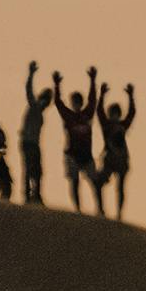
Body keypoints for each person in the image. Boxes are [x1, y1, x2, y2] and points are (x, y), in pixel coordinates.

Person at [59, 74, 98, 212]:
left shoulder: (87, 114)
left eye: (78, 102)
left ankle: (99, 208)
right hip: (72, 154)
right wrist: (57, 85)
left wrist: (93, 80)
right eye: (74, 102)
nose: (76, 105)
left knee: (95, 182)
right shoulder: (69, 116)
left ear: (81, 103)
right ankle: (77, 209)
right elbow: (59, 103)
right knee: (74, 183)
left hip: (87, 155)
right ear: (72, 103)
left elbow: (93, 100)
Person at [17, 60, 54, 205]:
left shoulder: (39, 111)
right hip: (28, 142)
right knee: (29, 168)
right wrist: (31, 74)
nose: (47, 103)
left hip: (33, 143)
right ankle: (29, 195)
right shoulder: (35, 106)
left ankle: (35, 195)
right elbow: (28, 91)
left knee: (37, 170)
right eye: (46, 99)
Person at [101, 78, 137, 218]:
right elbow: (99, 112)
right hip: (109, 159)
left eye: (116, 114)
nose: (114, 116)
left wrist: (130, 96)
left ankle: (119, 214)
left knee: (120, 188)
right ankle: (101, 209)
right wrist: (102, 95)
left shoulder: (122, 125)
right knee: (100, 182)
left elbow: (131, 114)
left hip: (121, 159)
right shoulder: (106, 125)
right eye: (112, 114)